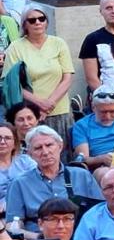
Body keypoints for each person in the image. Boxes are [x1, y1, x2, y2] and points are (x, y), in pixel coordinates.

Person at [5, 126, 103, 236]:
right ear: (29, 154)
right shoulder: (19, 183)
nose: (45, 152)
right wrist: (37, 237)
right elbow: (12, 225)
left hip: (79, 238)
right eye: (38, 148)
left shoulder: (81, 175)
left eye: (49, 145)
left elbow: (101, 211)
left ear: (60, 146)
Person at [2, 8, 75, 143]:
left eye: (41, 19)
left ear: (46, 22)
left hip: (60, 109)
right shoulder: (15, 47)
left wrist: (49, 104)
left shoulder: (59, 43)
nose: (38, 22)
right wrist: (39, 104)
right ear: (25, 24)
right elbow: (11, 83)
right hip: (29, 115)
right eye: (32, 20)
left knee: (60, 152)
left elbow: (67, 78)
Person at [71, 86, 114, 174]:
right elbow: (82, 160)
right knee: (107, 174)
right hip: (101, 167)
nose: (108, 116)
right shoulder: (82, 125)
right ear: (93, 107)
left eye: (112, 111)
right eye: (103, 112)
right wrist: (101, 159)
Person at [0, 121, 36, 214]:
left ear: (14, 143)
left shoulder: (26, 161)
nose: (2, 142)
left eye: (7, 138)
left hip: (28, 208)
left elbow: (37, 183)